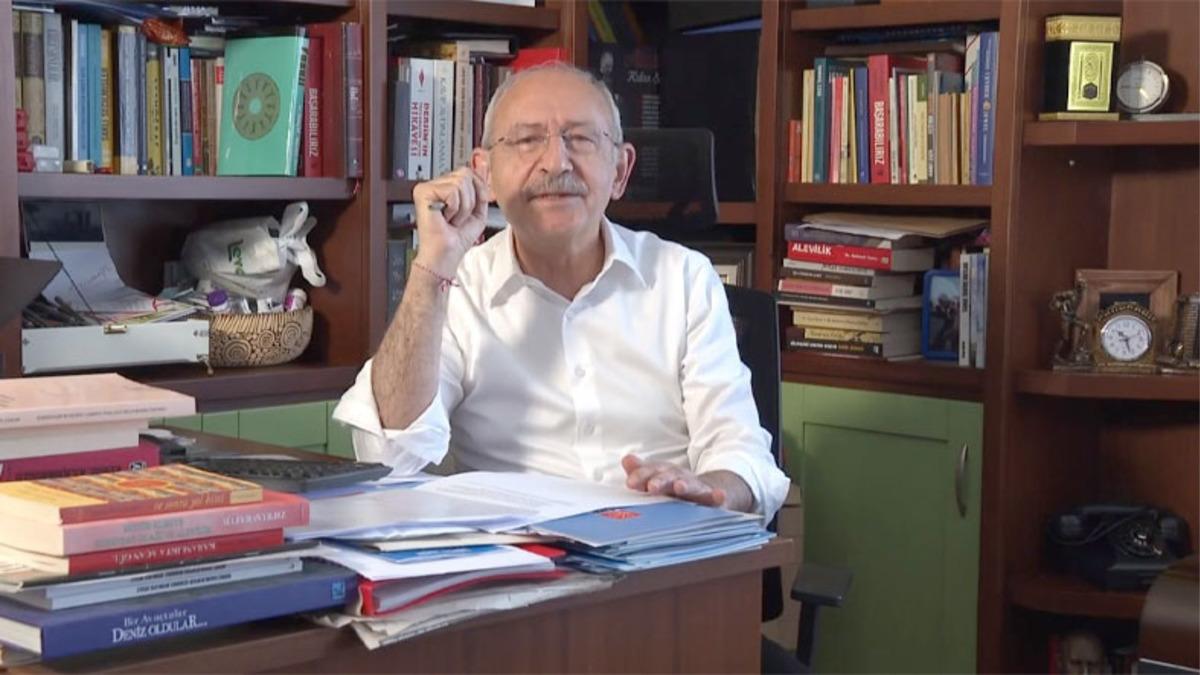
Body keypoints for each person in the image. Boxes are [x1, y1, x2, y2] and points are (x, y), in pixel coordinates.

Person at [333, 62, 789, 520]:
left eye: (581, 138)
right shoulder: (458, 286)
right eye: (527, 140)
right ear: (485, 173)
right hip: (521, 551)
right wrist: (432, 266)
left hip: (660, 544)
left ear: (620, 170)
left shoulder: (684, 278)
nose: (556, 162)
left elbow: (742, 455)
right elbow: (390, 453)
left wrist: (708, 489)